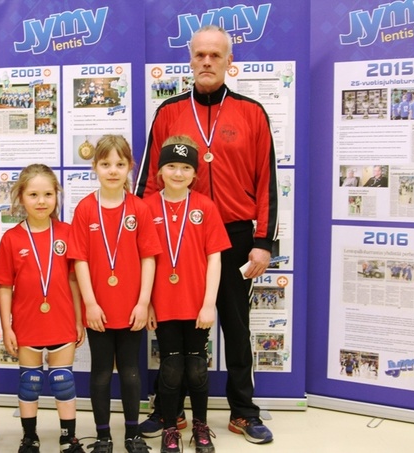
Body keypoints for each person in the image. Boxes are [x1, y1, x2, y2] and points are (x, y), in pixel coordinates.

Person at [135, 25, 278, 445]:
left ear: (229, 62)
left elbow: (267, 182)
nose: (207, 62)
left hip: (233, 234)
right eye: (200, 55)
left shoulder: (252, 112)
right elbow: (148, 182)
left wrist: (263, 241)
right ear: (190, 60)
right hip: (174, 236)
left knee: (236, 326)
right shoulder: (169, 112)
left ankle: (243, 411)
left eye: (216, 55)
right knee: (174, 328)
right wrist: (141, 240)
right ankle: (169, 411)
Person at [68, 135, 162, 453]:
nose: (112, 170)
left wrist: (144, 302)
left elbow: (149, 258)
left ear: (129, 167)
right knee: (101, 372)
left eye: (120, 164)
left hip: (132, 308)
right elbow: (79, 260)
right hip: (99, 309)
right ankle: (103, 436)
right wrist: (90, 303)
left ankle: (133, 434)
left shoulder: (139, 208)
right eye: (105, 164)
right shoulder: (85, 209)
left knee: (131, 371)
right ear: (94, 167)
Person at [143, 135, 231, 453]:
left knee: (196, 368)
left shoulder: (205, 207)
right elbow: (143, 260)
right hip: (163, 304)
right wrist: (147, 303)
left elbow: (214, 259)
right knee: (170, 368)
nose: (178, 173)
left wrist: (209, 304)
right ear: (160, 171)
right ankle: (170, 427)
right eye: (171, 166)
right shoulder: (147, 207)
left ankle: (200, 426)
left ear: (195, 173)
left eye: (185, 167)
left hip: (197, 305)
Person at [0, 164, 86, 453]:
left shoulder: (67, 233)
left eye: (48, 194)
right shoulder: (11, 238)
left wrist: (79, 319)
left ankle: (68, 437)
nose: (41, 201)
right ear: (21, 197)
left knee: (63, 382)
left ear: (57, 196)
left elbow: (74, 280)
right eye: (33, 194)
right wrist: (7, 326)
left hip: (61, 319)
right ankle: (29, 437)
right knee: (30, 383)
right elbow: (4, 286)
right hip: (26, 322)